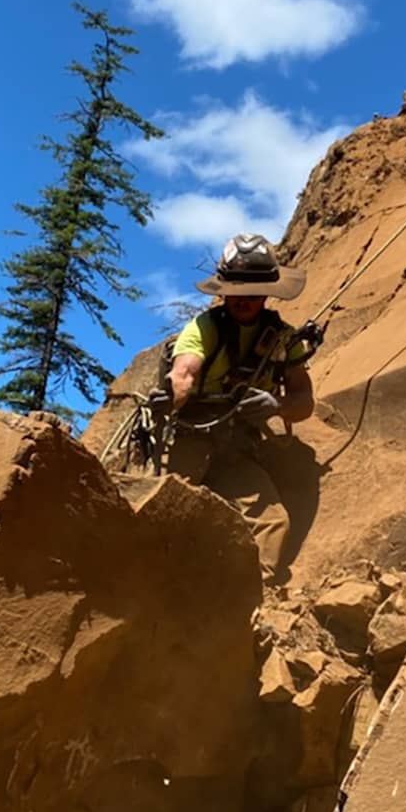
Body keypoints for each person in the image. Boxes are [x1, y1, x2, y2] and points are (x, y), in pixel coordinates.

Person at [166, 234, 315, 580]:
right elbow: (184, 371)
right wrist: (177, 392)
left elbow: (304, 400)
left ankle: (254, 600)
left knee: (273, 524)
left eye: (252, 292)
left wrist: (275, 405)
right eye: (237, 291)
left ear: (267, 292)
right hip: (192, 436)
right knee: (170, 509)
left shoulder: (282, 338)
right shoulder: (204, 328)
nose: (243, 300)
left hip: (237, 448)